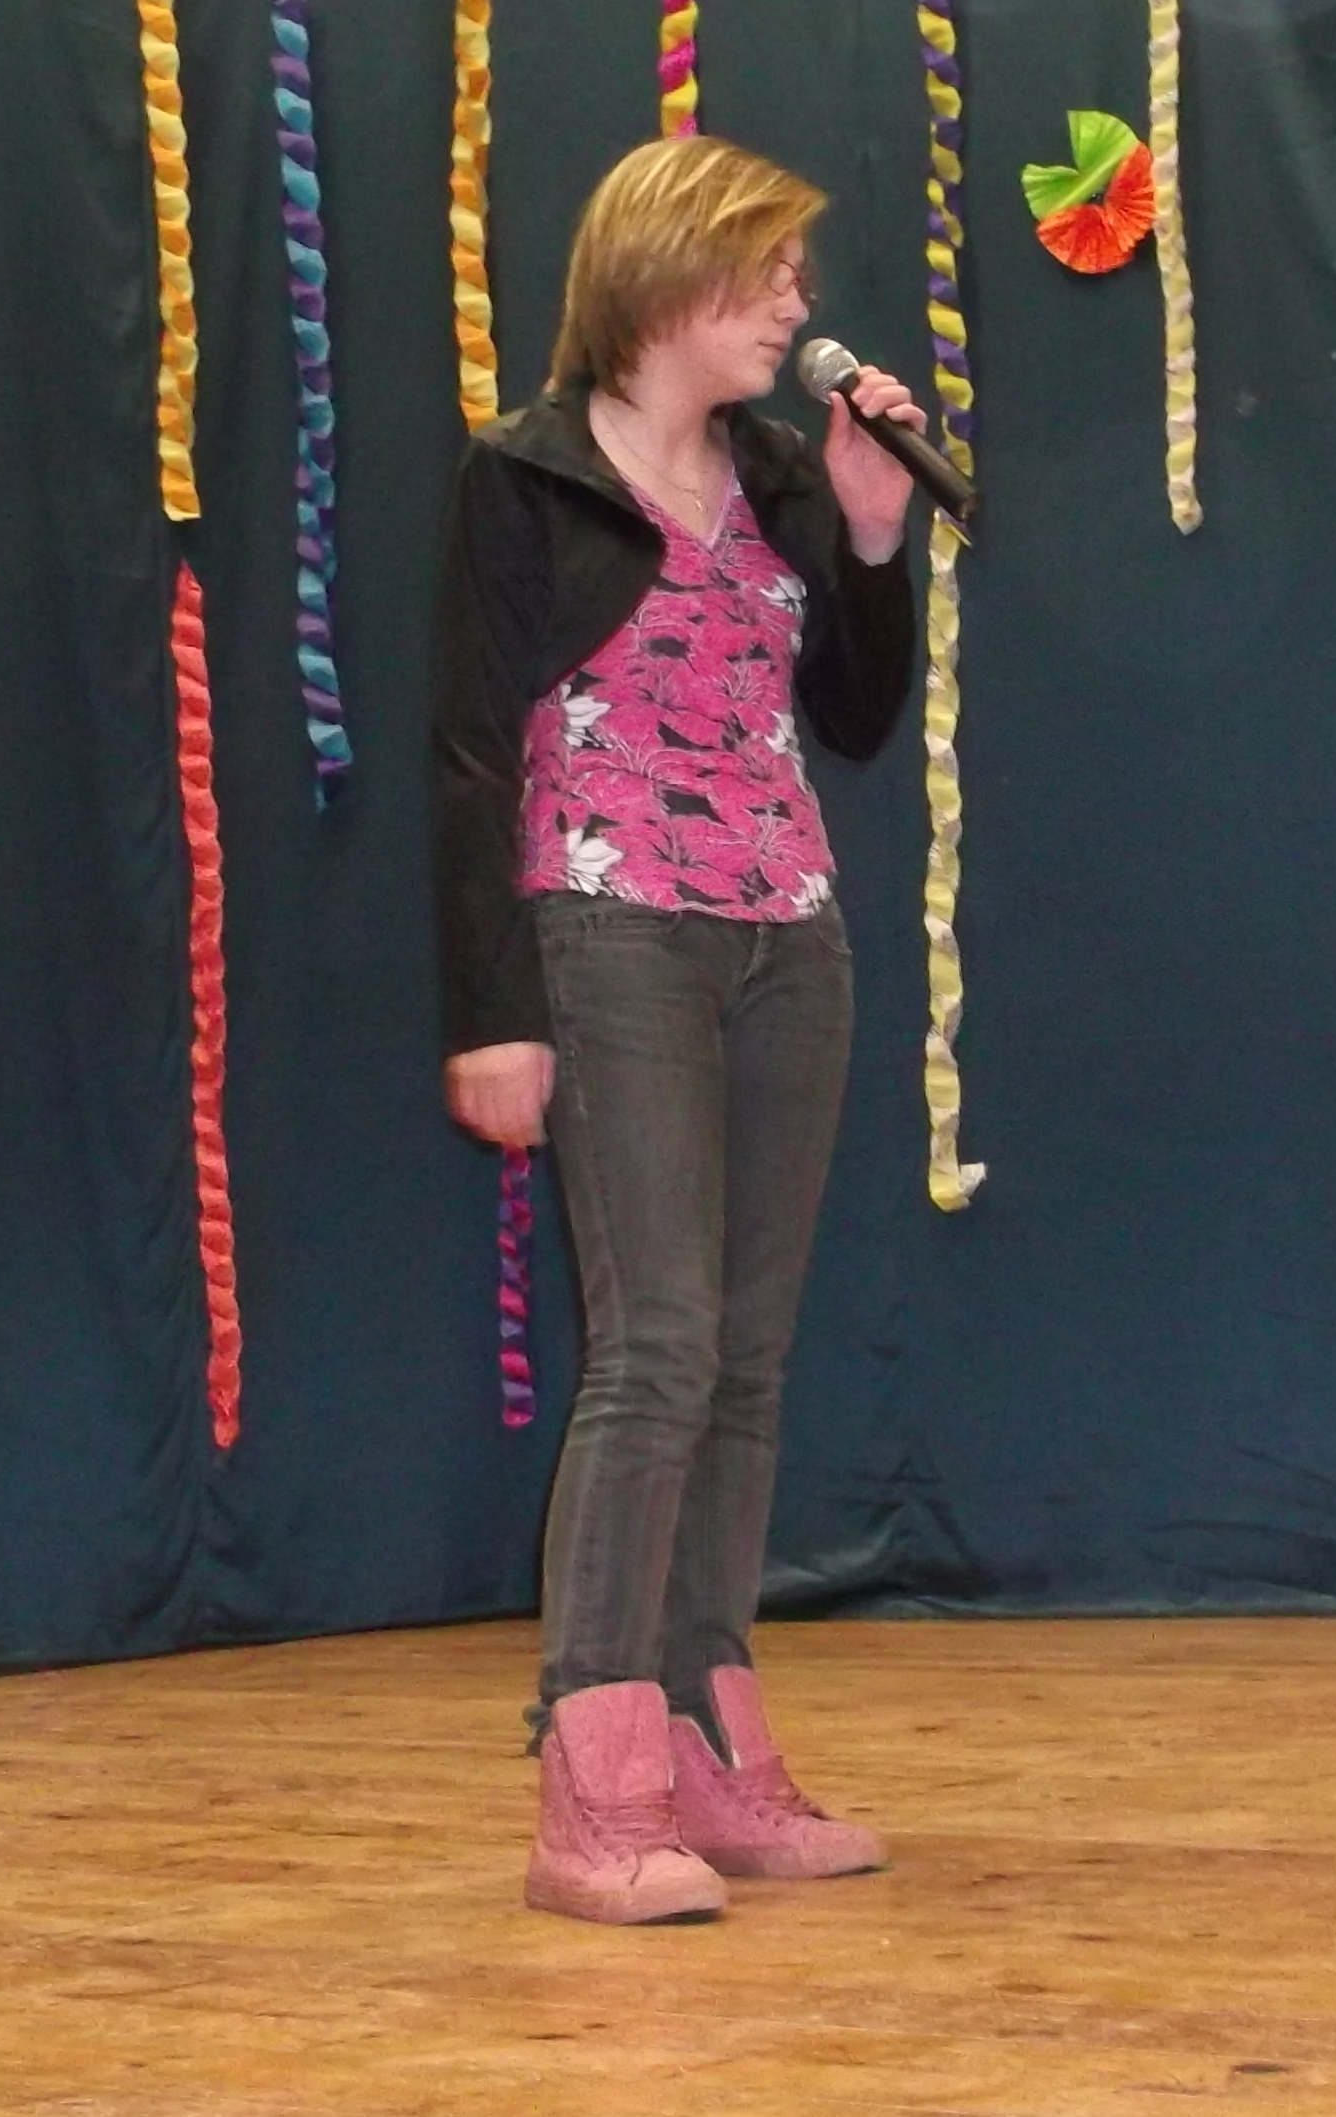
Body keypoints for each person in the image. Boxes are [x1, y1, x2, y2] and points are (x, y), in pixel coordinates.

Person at [431, 136, 922, 1925]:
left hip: (788, 933)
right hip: (609, 922)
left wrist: (873, 534)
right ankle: (595, 1783)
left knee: (747, 1358)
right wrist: (494, 1012)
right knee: (655, 1352)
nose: (798, 304)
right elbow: (467, 752)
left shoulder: (782, 472)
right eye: (768, 272)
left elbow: (853, 715)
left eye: (797, 276)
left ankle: (714, 1751)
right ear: (667, 277)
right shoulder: (527, 477)